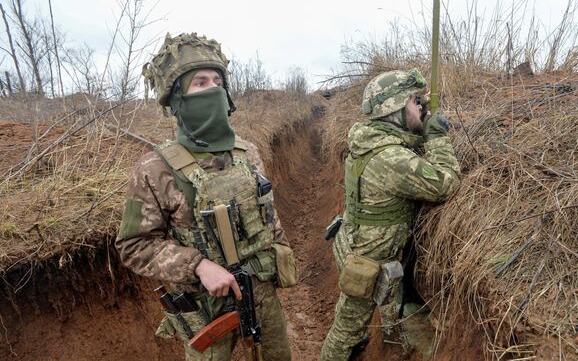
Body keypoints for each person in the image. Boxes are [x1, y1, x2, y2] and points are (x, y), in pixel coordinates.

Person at [115, 32, 296, 361]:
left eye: (218, 81)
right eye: (200, 82)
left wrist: (279, 256)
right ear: (177, 98)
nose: (213, 89)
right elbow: (132, 246)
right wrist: (197, 266)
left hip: (262, 294)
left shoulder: (247, 152)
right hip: (206, 304)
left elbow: (268, 213)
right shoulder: (155, 168)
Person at [320, 68, 460, 360]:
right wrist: (437, 137)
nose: (420, 106)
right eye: (413, 101)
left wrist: (420, 125)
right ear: (395, 109)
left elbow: (403, 146)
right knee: (346, 331)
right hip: (368, 263)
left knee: (348, 321)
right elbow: (445, 184)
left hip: (355, 245)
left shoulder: (369, 140)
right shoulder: (390, 159)